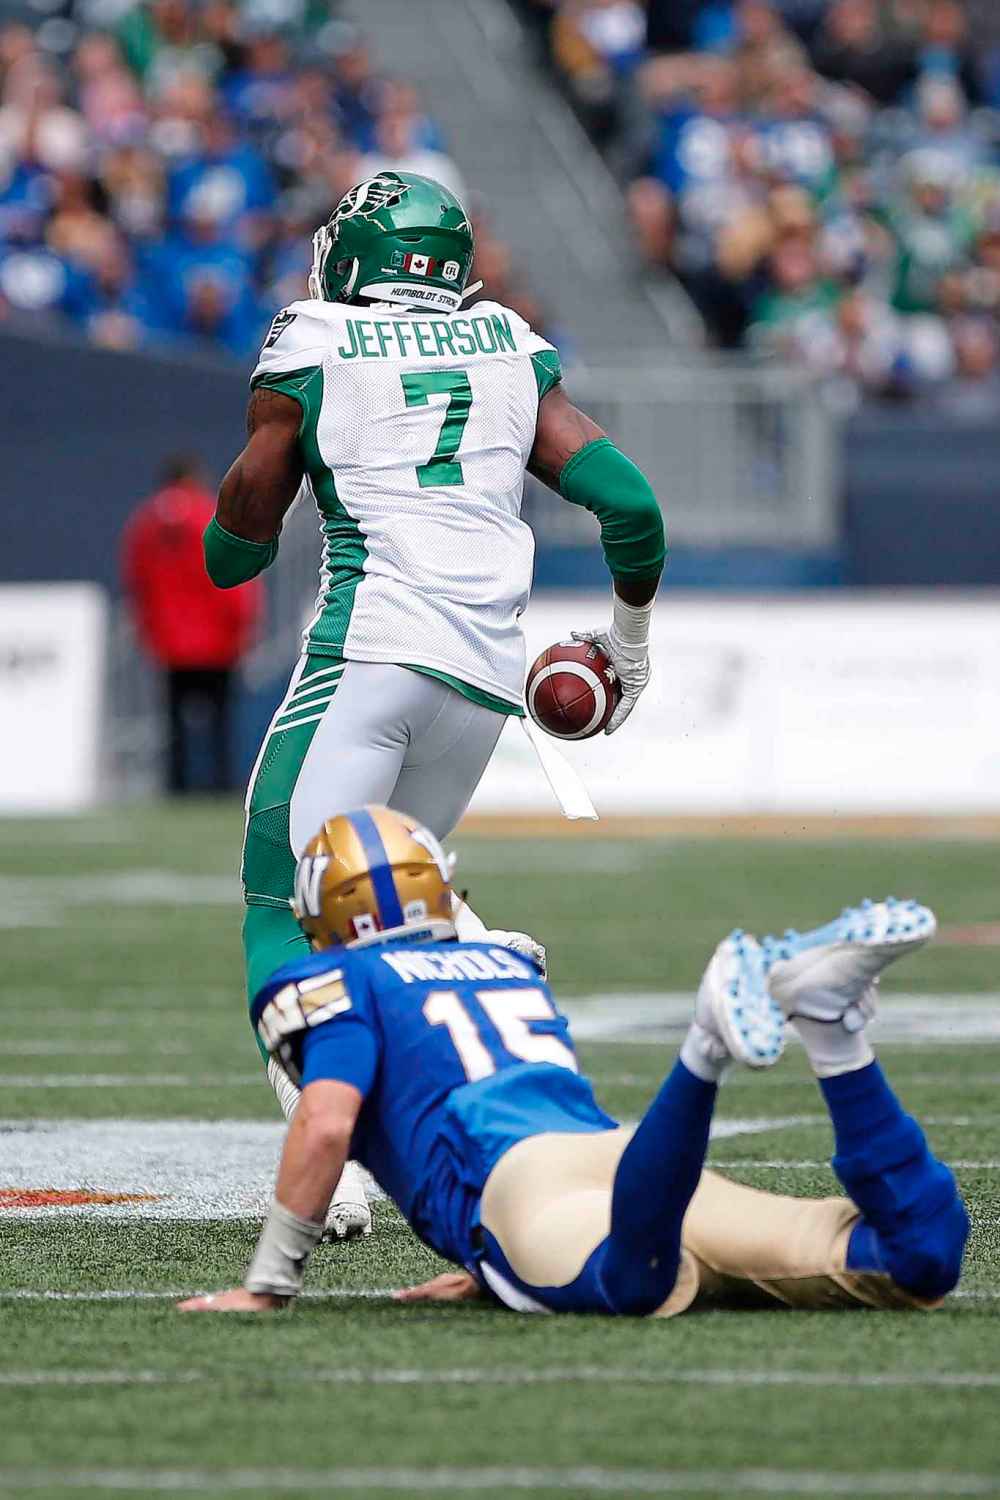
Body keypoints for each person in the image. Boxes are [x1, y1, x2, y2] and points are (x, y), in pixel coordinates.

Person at [200, 170, 666, 1233]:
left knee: (287, 902)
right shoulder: (504, 338)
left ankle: (341, 1161)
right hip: (481, 686)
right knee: (394, 907)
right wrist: (627, 653)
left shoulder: (314, 338)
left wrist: (260, 473)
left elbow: (234, 551)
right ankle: (482, 991)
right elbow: (631, 505)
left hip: (368, 659)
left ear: (363, 258)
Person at [180, 805, 969, 1318]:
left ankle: (703, 1048)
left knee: (635, 1280)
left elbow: (324, 1126)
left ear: (324, 917)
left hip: (531, 1198)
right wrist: (493, 1267)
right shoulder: (505, 962)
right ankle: (835, 1034)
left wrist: (268, 1286)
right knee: (915, 1263)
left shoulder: (338, 978)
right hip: (615, 1155)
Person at [121, 455, 263, 795]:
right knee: (221, 723)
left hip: (170, 643)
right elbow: (235, 579)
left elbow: (137, 583)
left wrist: (148, 632)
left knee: (174, 724)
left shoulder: (144, 523)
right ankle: (220, 785)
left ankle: (177, 787)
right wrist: (246, 629)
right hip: (217, 641)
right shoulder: (210, 514)